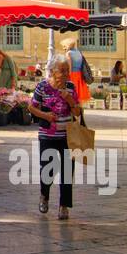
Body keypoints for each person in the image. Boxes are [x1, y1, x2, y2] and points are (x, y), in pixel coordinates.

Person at [29, 54, 80, 220]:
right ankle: (44, 195)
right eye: (62, 71)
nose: (65, 74)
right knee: (48, 169)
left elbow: (78, 112)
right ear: (52, 71)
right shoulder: (42, 87)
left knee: (67, 171)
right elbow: (31, 107)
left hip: (67, 135)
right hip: (47, 135)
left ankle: (63, 205)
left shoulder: (71, 87)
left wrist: (70, 100)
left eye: (67, 71)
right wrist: (45, 115)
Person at [61, 35, 91, 110]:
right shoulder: (79, 52)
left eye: (64, 46)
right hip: (80, 75)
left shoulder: (69, 53)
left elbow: (69, 67)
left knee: (72, 95)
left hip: (73, 75)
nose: (63, 48)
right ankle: (79, 112)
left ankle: (73, 113)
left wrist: (67, 78)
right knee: (79, 97)